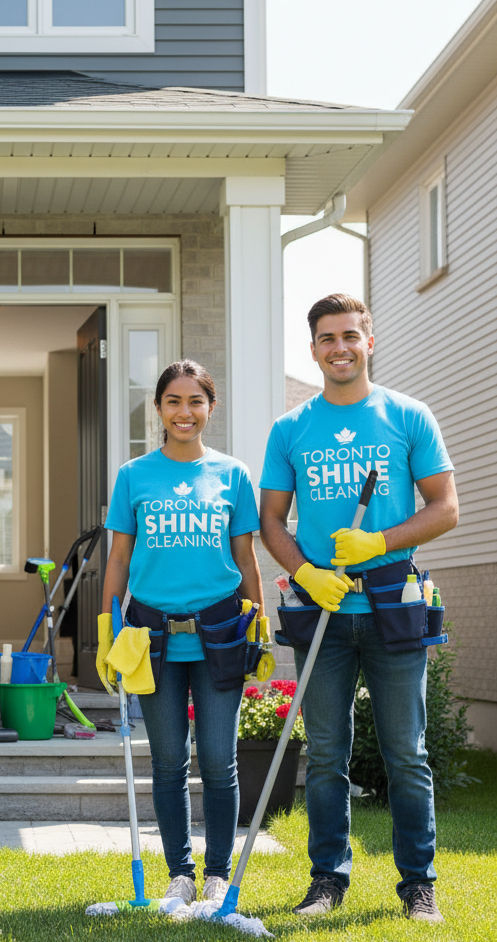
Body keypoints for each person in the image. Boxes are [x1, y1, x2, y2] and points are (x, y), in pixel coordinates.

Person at [259, 293, 457, 923]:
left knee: (407, 753)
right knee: (324, 755)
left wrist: (379, 540)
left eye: (350, 335)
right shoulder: (291, 428)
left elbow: (445, 508)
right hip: (322, 611)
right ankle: (327, 881)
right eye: (326, 338)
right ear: (312, 348)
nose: (339, 347)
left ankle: (418, 886)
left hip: (394, 602)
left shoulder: (408, 415)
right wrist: (306, 573)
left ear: (370, 341)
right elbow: (270, 520)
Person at [97, 359, 264, 905]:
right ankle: (180, 872)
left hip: (219, 631)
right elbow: (118, 559)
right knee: (167, 761)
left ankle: (218, 872)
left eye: (196, 401)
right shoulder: (133, 476)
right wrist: (107, 628)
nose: (184, 412)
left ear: (210, 408)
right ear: (160, 410)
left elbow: (246, 556)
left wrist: (257, 623)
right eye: (173, 401)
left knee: (219, 759)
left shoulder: (233, 475)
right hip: (151, 637)